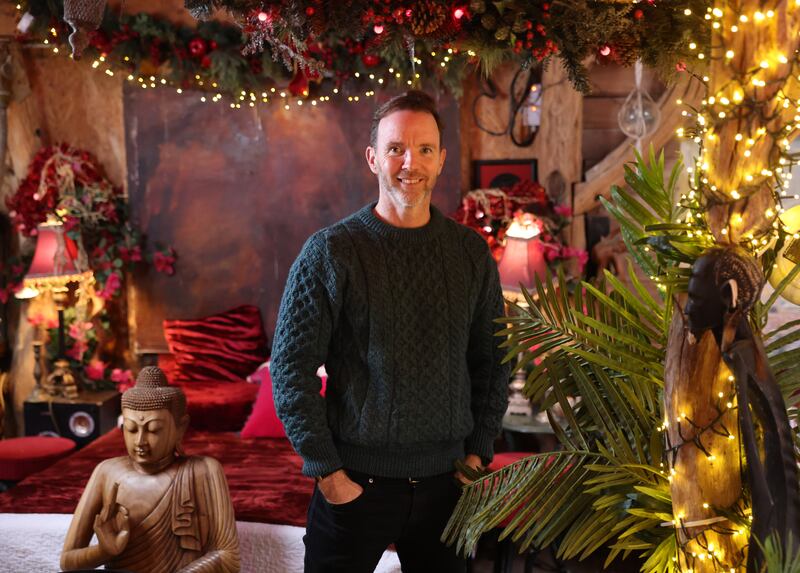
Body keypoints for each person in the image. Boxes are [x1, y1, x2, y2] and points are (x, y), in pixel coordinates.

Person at [270, 90, 511, 573]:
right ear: (373, 158)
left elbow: (495, 359)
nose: (410, 162)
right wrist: (328, 473)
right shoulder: (330, 252)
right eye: (396, 148)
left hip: (447, 487)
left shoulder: (469, 254)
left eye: (424, 149)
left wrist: (477, 456)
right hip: (356, 485)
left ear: (441, 160)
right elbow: (290, 370)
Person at [60, 366, 240, 573]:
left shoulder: (204, 471)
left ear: (181, 427)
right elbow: (67, 561)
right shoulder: (106, 472)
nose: (140, 441)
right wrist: (104, 551)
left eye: (154, 430)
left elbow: (230, 558)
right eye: (131, 429)